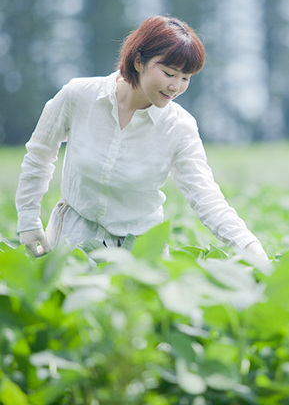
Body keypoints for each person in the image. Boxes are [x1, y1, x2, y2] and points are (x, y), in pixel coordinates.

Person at [15, 15, 268, 261]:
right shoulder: (79, 96)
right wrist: (28, 218)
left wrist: (248, 244)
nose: (176, 87)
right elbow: (39, 155)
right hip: (73, 242)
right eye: (169, 73)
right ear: (138, 61)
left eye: (185, 78)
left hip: (140, 254)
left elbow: (205, 195)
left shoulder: (179, 127)